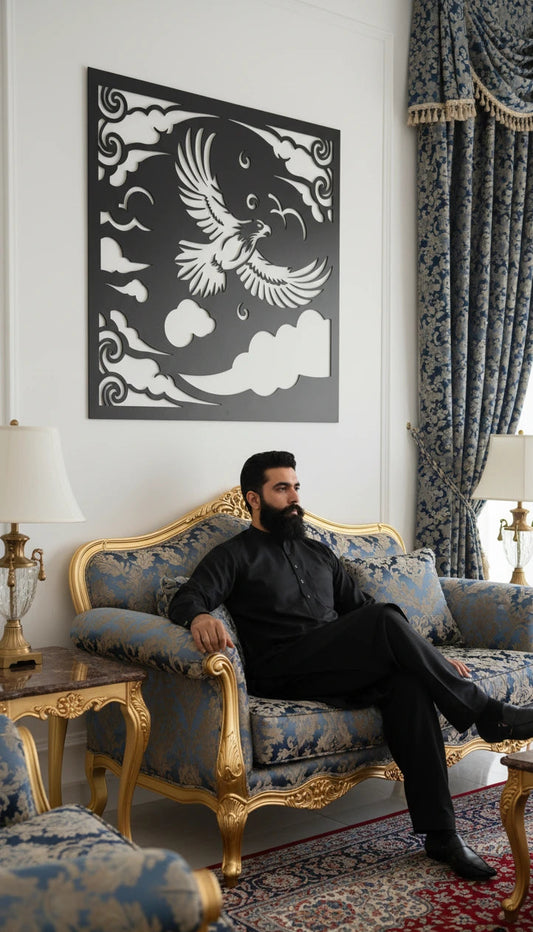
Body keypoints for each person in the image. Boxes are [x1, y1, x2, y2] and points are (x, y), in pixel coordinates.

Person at [169, 450, 533, 881]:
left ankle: (441, 834)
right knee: (382, 618)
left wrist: (428, 658)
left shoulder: (318, 553)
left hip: (334, 665)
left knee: (409, 687)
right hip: (283, 669)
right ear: (254, 498)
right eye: (281, 488)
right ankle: (488, 715)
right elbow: (186, 597)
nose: (293, 497)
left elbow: (358, 609)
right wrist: (201, 615)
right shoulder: (233, 555)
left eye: (296, 487)